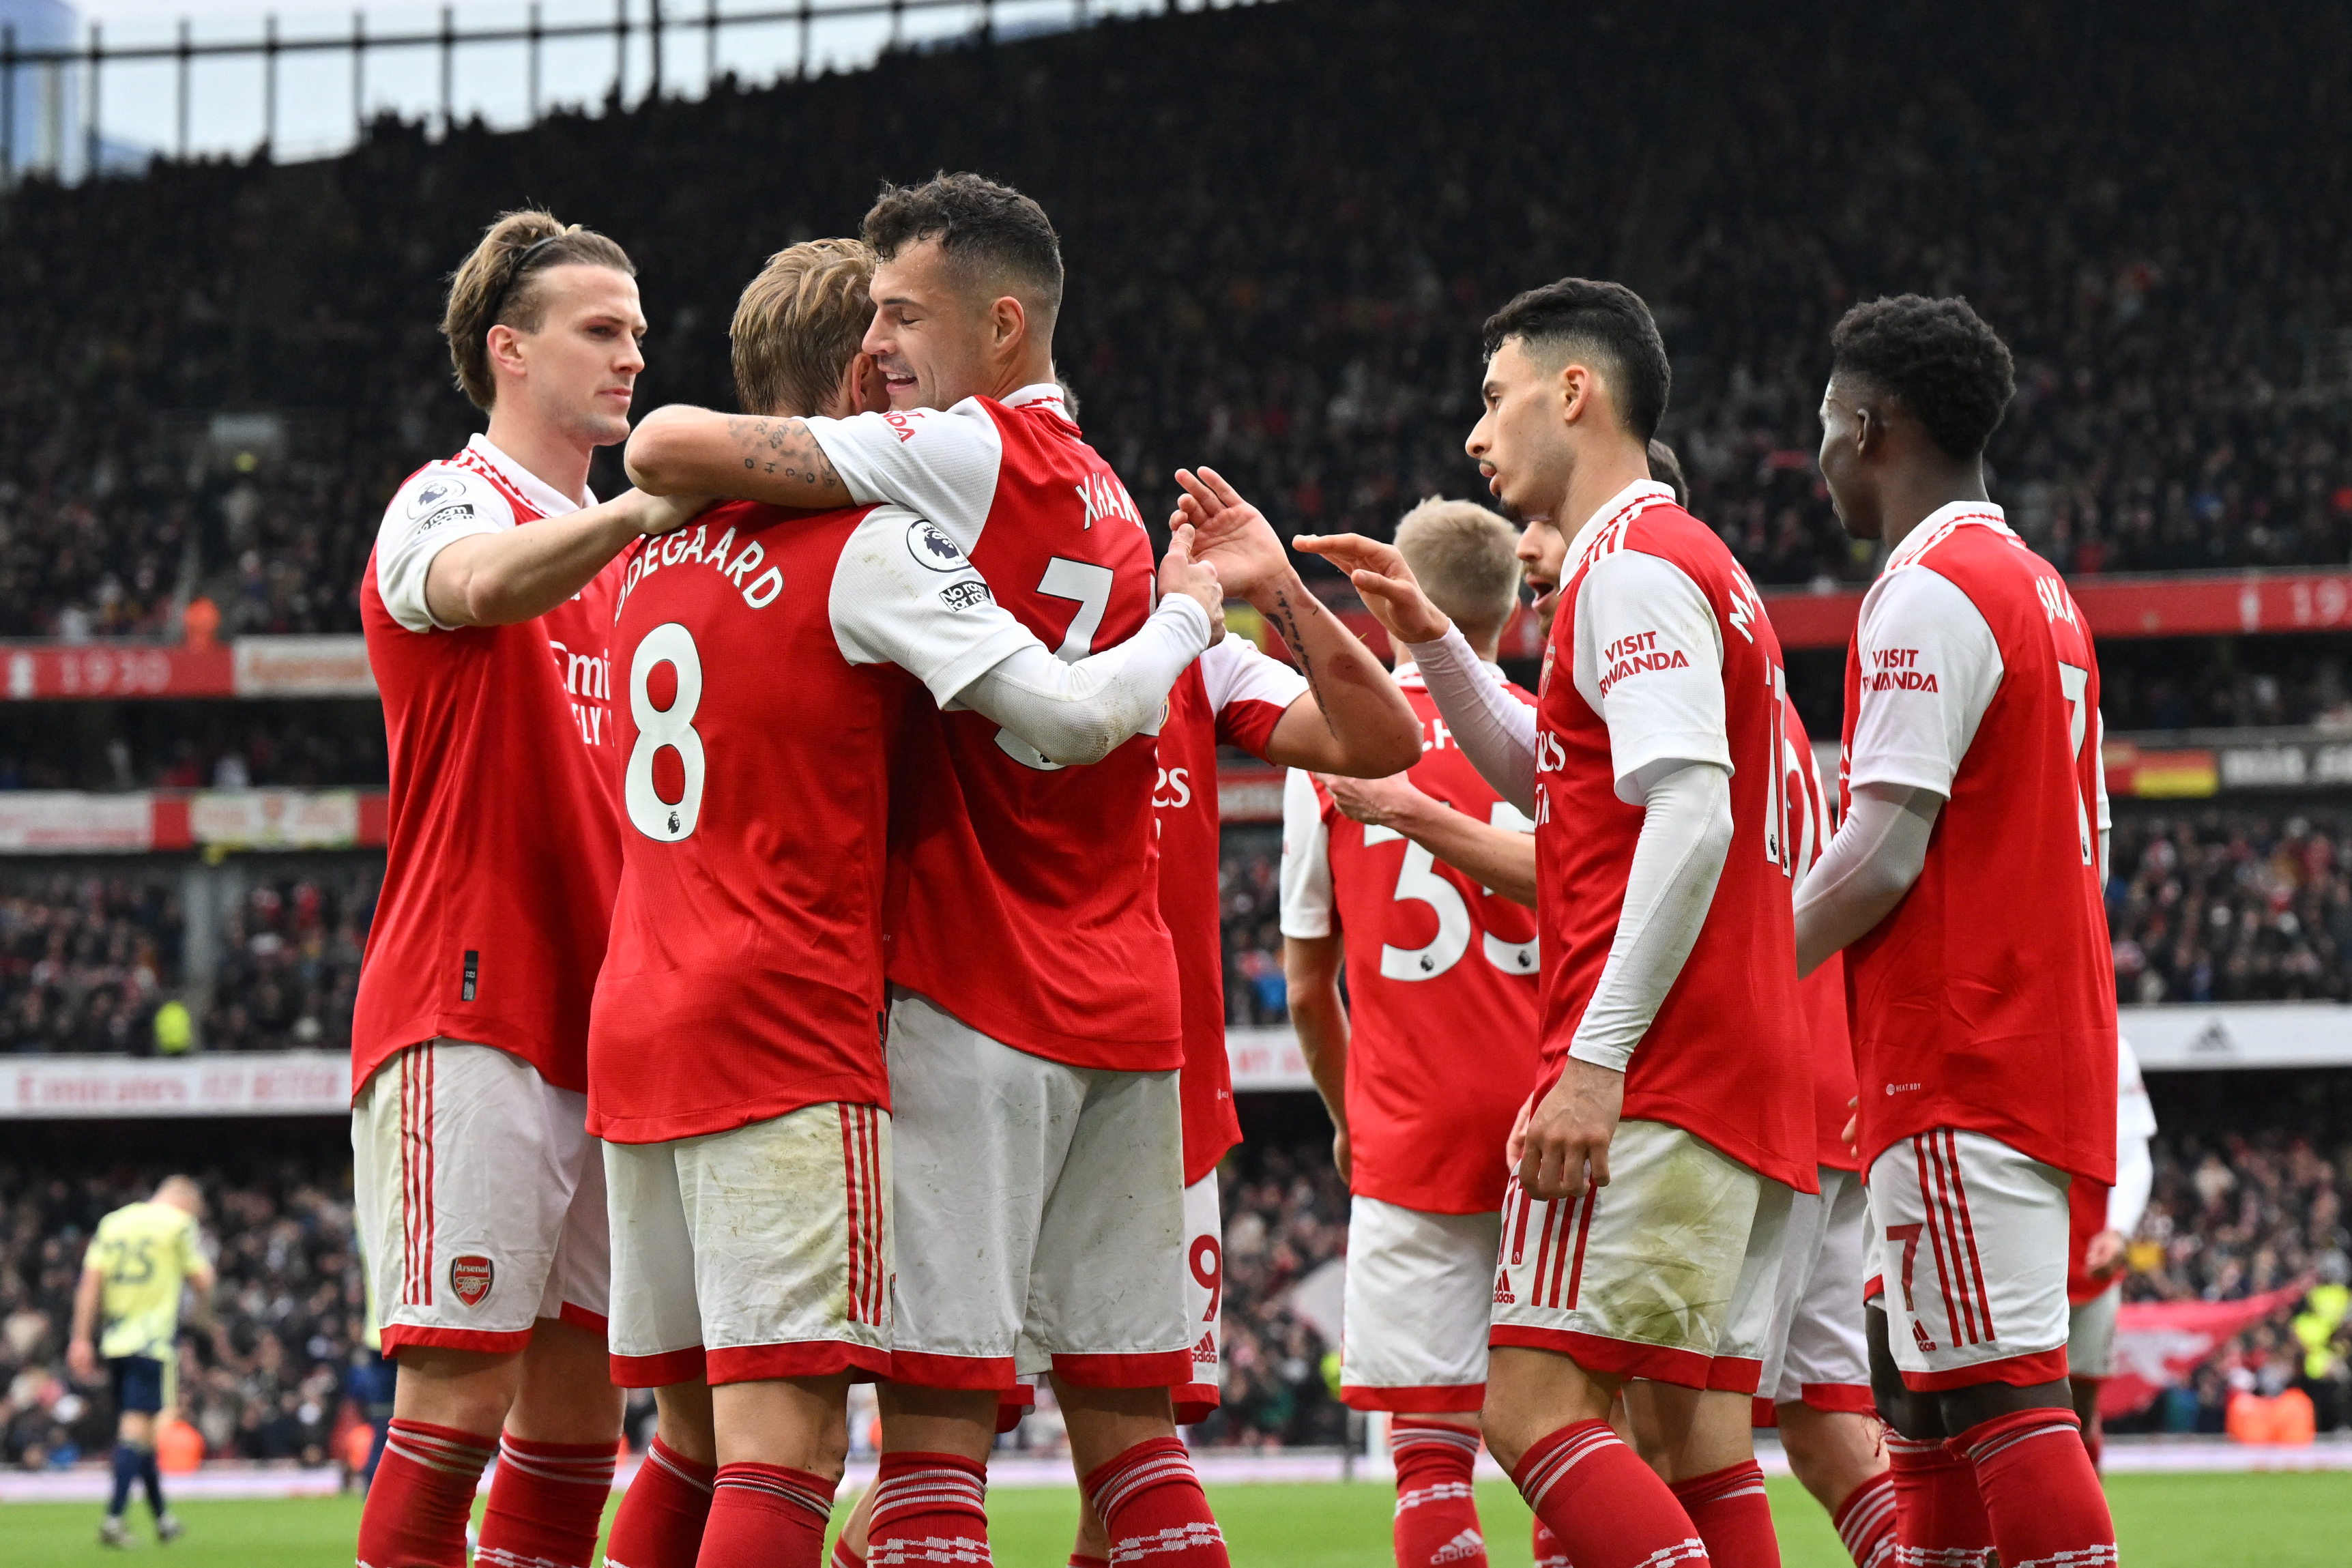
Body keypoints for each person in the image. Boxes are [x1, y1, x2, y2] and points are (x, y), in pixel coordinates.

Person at [626, 173, 1234, 1568]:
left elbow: (666, 443)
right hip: (1128, 1002)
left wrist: (1195, 624)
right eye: (876, 321)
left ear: (1001, 327)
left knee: (920, 1450)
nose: (890, 348)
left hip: (965, 993)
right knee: (1132, 1445)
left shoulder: (945, 465)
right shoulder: (1115, 500)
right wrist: (1190, 611)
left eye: (909, 314)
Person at [1299, 278, 1814, 1568]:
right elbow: (1564, 782)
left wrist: (1596, 1056)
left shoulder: (1630, 563)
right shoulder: (1680, 560)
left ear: (1572, 393)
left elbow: (1689, 813)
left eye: (1494, 397)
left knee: (1529, 1411)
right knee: (1683, 1439)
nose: (1476, 435)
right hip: (1731, 1062)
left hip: (1659, 1068)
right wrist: (1435, 642)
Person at [349, 209, 702, 1568]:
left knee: (575, 1419)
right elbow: (479, 586)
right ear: (510, 349)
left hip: (612, 1025)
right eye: (601, 331)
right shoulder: (449, 499)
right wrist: (637, 513)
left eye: (638, 334)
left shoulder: (640, 561)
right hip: (471, 998)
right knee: (453, 1396)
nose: (631, 358)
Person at [1794, 293, 2119, 1568]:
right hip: (2020, 1044)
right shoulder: (2037, 587)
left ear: (1870, 426)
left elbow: (1881, 848)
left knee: (2000, 1396)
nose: (1817, 455)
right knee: (1922, 1409)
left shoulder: (1925, 588)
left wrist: (1745, 969)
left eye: (1825, 425)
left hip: (1962, 1048)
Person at [1281, 497, 1541, 1568]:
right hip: (1548, 1126)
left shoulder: (1337, 749)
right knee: (1570, 1428)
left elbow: (1305, 979)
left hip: (1410, 1129)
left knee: (1430, 1450)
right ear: (1512, 613)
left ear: (1387, 602)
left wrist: (1347, 1119)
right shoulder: (1545, 734)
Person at [1756, 701, 1894, 1568]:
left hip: (1744, 1099)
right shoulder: (1784, 725)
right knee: (1829, 1424)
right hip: (1830, 1089)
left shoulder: (1653, 685)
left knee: (1676, 1421)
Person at [68, 1175, 214, 1547]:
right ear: (185, 1203)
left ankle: (162, 1518)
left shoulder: (113, 1223)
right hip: (153, 1342)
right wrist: (199, 1316)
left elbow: (90, 1284)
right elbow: (203, 1279)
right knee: (137, 1429)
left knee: (143, 1432)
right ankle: (114, 1518)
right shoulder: (179, 1225)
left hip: (115, 1340)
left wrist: (81, 1338)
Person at [2066, 1034, 2156, 1470]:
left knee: (2079, 1410)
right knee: (1992, 1409)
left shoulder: (2108, 1046)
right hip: (1997, 1259)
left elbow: (2133, 1156)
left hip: (2085, 1261)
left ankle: (2087, 1538)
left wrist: (2118, 1231)